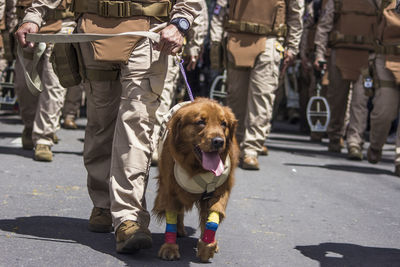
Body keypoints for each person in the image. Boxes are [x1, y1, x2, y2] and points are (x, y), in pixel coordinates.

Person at [16, 0, 201, 253]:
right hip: (94, 35)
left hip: (147, 34)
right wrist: (34, 16)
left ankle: (129, 217)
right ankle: (103, 203)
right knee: (100, 123)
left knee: (135, 124)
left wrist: (180, 23)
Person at [210, 0, 304, 170]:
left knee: (262, 96)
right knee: (236, 97)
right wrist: (215, 39)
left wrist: (292, 46)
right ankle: (234, 144)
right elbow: (220, 7)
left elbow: (295, 13)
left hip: (269, 40)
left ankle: (251, 149)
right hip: (236, 38)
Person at [13, 0, 77, 162]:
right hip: (26, 25)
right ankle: (29, 125)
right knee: (24, 84)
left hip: (62, 25)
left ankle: (44, 138)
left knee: (54, 84)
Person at [313, 0, 376, 153]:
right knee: (337, 100)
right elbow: (323, 28)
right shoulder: (337, 2)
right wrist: (320, 54)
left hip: (367, 59)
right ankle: (335, 136)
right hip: (339, 57)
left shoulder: (377, 3)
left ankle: (355, 141)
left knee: (361, 101)